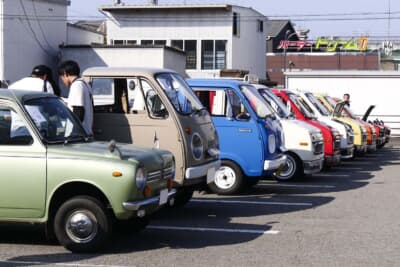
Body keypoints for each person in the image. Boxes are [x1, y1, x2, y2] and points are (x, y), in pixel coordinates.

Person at [57, 60, 93, 135]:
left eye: (62, 78)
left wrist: (71, 133)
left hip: (79, 134)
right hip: (87, 131)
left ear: (65, 74)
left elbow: (78, 112)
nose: (63, 81)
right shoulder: (85, 84)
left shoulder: (76, 85)